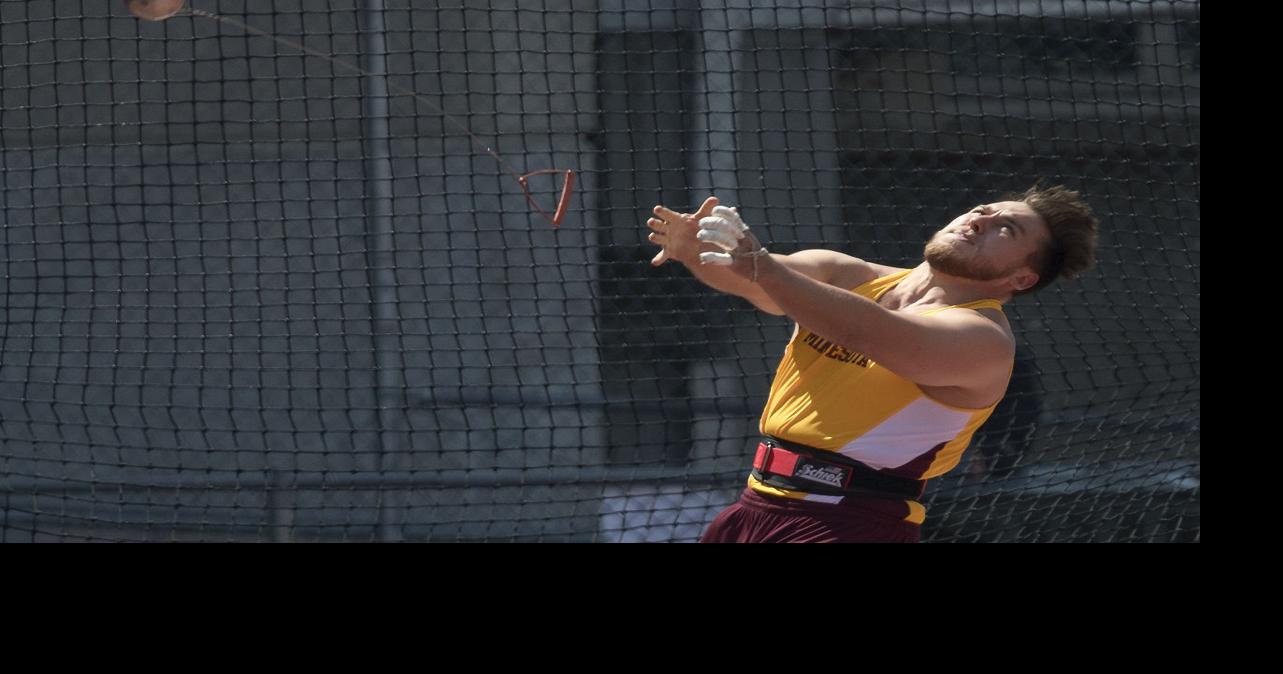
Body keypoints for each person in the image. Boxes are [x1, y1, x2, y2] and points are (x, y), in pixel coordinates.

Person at [646, 185, 1098, 543]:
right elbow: (753, 282)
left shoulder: (984, 338)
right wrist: (695, 250)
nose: (981, 220)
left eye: (1008, 229)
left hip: (850, 521)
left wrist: (761, 266)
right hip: (753, 506)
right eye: (984, 209)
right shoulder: (848, 274)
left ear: (1021, 278)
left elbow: (864, 332)